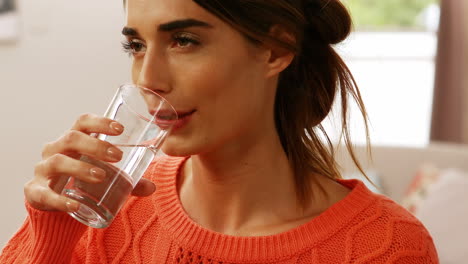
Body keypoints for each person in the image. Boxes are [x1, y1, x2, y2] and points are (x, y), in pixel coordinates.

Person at [0, 0, 438, 263]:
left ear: (275, 51)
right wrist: (50, 233)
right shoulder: (110, 212)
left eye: (184, 40)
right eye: (135, 46)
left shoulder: (385, 246)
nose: (148, 78)